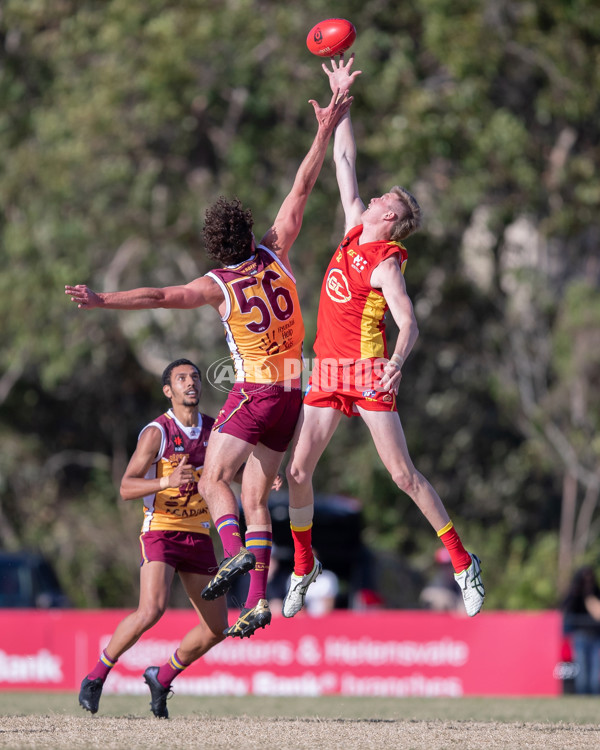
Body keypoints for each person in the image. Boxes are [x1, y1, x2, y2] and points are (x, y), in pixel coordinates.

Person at [66, 87, 354, 639]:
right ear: (249, 233)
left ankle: (232, 554)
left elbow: (157, 296)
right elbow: (302, 187)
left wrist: (104, 300)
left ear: (215, 249)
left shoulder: (216, 284)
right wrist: (324, 128)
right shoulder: (277, 249)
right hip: (294, 393)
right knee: (255, 497)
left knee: (214, 479)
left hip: (254, 393)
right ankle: (256, 603)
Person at [282, 55, 485, 620]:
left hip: (368, 370)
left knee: (401, 474)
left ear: (392, 220)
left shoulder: (386, 262)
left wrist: (398, 359)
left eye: (384, 203)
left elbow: (409, 320)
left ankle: (464, 562)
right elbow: (344, 158)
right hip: (326, 370)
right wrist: (341, 101)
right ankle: (303, 566)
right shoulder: (353, 230)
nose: (373, 199)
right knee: (298, 472)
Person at [78, 359, 227, 718]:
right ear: (168, 390)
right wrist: (165, 482)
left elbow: (228, 473)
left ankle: (162, 676)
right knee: (151, 609)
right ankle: (96, 676)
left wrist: (263, 477)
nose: (190, 383)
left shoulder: (216, 429)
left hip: (198, 532)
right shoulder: (157, 432)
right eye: (181, 378)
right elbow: (126, 487)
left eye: (194, 377)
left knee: (217, 628)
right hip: (160, 527)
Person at [561, 565, 600, 694]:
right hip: (580, 635)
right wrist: (577, 593)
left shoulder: (595, 592)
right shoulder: (575, 592)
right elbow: (565, 608)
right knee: (582, 667)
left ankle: (594, 693)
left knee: (595, 669)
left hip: (596, 635)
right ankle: (582, 693)